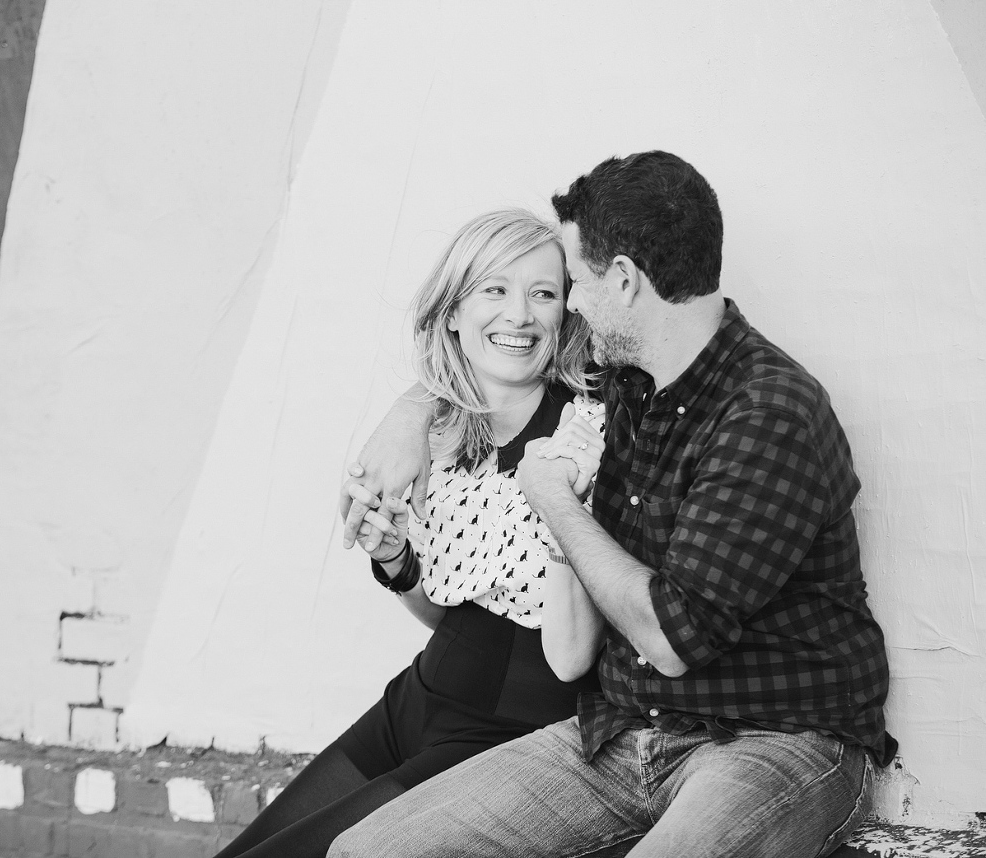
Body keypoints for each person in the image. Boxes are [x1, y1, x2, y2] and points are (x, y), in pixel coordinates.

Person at [332, 151, 895, 858]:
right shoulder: (628, 379)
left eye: (573, 283)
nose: (565, 304)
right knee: (367, 851)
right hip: (625, 732)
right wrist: (408, 413)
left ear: (623, 280)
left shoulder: (767, 411)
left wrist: (553, 502)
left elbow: (668, 636)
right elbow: (487, 359)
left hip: (774, 740)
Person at [212, 209, 608, 858]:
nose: (519, 315)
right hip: (413, 705)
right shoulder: (440, 434)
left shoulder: (582, 435)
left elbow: (574, 644)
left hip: (502, 738)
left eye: (542, 292)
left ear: (564, 311)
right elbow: (454, 608)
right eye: (495, 289)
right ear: (453, 309)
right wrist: (395, 560)